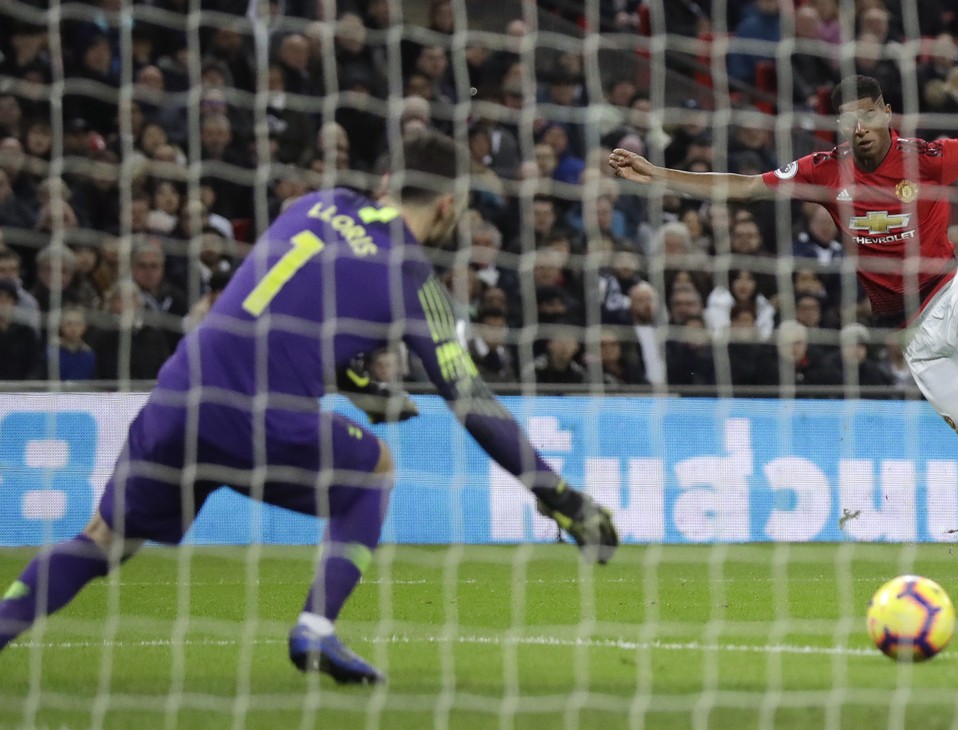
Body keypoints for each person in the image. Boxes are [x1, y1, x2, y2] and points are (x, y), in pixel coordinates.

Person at [0, 130, 617, 681]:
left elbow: (296, 305)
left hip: (180, 393)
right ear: (450, 205)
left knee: (103, 538)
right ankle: (316, 628)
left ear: (384, 181)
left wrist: (357, 386)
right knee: (374, 469)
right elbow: (472, 401)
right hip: (259, 420)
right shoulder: (413, 279)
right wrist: (558, 495)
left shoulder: (315, 204)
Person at [609, 75, 958, 613]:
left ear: (887, 113)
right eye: (848, 121)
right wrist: (657, 174)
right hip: (914, 336)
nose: (859, 129)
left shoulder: (929, 157)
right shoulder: (824, 171)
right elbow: (745, 185)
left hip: (953, 293)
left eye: (867, 116)